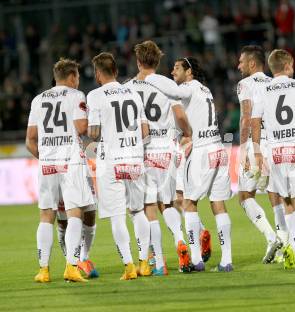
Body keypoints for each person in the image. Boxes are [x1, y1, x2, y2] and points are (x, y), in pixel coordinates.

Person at [146, 57, 233, 272]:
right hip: (219, 149)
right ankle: (226, 261)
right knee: (218, 205)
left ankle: (195, 260)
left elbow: (175, 92)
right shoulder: (205, 90)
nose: (173, 71)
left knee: (188, 203)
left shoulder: (189, 87)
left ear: (189, 71)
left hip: (202, 151)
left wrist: (149, 76)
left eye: (177, 68)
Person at [125, 40, 193, 274]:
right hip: (166, 150)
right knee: (169, 203)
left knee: (148, 207)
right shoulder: (166, 85)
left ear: (138, 61)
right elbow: (180, 115)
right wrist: (188, 133)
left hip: (142, 151)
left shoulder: (128, 88)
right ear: (158, 61)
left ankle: (160, 263)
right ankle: (179, 240)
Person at [26, 58, 96, 282]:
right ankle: (71, 266)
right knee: (75, 212)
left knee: (46, 215)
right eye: (77, 77)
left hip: (47, 163)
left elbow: (30, 140)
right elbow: (83, 128)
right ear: (73, 77)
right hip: (71, 161)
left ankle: (43, 270)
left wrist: (46, 156)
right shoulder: (77, 96)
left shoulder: (38, 100)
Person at [251, 49, 295, 269]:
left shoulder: (263, 91)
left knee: (287, 201)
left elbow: (255, 121)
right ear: (288, 65)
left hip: (275, 151)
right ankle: (293, 245)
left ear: (272, 68)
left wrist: (258, 152)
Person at [87, 52, 151, 280]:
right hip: (134, 158)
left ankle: (129, 267)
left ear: (97, 73)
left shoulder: (94, 96)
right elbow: (145, 132)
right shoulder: (134, 93)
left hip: (111, 161)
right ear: (115, 70)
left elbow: (93, 133)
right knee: (138, 212)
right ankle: (145, 263)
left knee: (117, 216)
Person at [237, 45, 284, 264]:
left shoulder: (245, 84)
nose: (239, 66)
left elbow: (246, 118)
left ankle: (270, 237)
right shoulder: (274, 83)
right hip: (276, 144)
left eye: (241, 62)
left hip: (256, 145)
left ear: (252, 64)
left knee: (245, 196)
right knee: (276, 194)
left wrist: (244, 149)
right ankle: (285, 245)